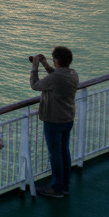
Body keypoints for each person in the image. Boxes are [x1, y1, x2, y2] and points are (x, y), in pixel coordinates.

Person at [30, 47, 79, 198]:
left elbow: (35, 85)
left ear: (56, 61)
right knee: (64, 152)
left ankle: (56, 189)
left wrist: (35, 67)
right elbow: (56, 76)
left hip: (54, 120)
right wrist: (45, 64)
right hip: (67, 118)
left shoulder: (56, 78)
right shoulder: (72, 74)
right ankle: (64, 186)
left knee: (55, 155)